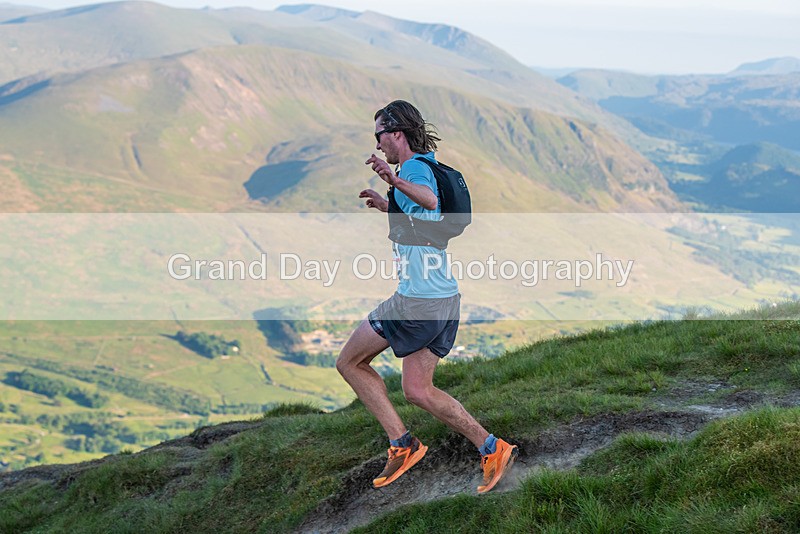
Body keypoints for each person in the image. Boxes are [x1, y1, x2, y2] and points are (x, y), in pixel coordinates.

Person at [335, 100, 518, 494]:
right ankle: (492, 447)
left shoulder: (413, 169)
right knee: (418, 390)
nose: (378, 144)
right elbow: (426, 220)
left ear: (395, 133)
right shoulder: (421, 167)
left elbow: (432, 204)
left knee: (349, 362)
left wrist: (393, 180)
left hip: (417, 300)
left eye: (379, 135)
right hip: (440, 296)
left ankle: (403, 445)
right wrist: (389, 204)